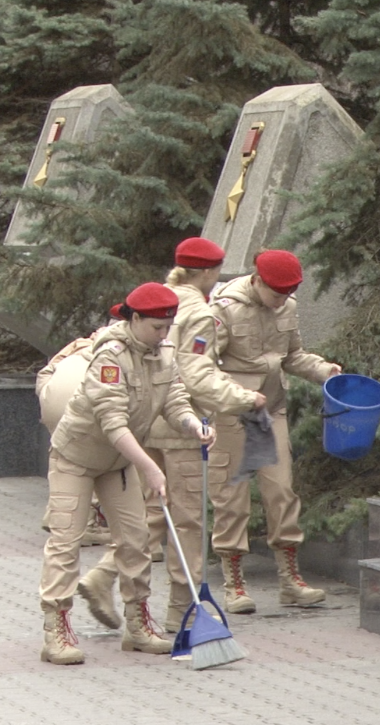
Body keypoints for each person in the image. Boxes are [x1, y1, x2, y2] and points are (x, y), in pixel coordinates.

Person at [76, 238, 266, 633]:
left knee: (151, 516)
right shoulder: (197, 312)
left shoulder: (158, 301)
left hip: (146, 423)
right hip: (183, 428)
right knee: (188, 522)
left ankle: (106, 575)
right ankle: (184, 609)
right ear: (210, 272)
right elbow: (196, 374)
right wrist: (243, 397)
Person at [39, 283, 215, 665]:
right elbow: (113, 423)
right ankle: (56, 630)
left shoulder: (163, 352)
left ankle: (138, 627)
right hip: (77, 457)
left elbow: (173, 397)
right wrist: (150, 467)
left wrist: (191, 424)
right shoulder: (110, 356)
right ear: (134, 319)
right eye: (156, 327)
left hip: (116, 464)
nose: (163, 335)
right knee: (66, 543)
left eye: (168, 327)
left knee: (136, 542)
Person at [210, 249, 341, 613]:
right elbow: (203, 367)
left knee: (281, 491)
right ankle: (234, 584)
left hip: (272, 409)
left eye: (288, 293)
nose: (281, 299)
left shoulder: (288, 307)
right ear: (258, 279)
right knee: (231, 496)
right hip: (234, 413)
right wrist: (236, 395)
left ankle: (290, 580)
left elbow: (293, 355)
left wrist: (323, 370)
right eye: (276, 293)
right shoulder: (225, 309)